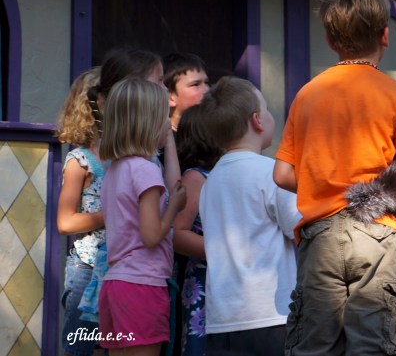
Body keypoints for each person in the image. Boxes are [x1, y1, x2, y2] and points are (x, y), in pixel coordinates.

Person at [273, 0, 396, 356]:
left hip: (320, 239)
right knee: (376, 346)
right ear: (384, 35)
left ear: (330, 40)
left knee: (315, 346)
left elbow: (282, 174)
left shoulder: (307, 95)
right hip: (378, 234)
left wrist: (321, 182)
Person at [199, 76, 299, 356]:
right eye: (266, 108)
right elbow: (300, 228)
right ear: (257, 120)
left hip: (221, 319)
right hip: (271, 315)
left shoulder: (211, 181)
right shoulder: (270, 173)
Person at [98, 78, 187, 354]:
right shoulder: (146, 170)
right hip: (142, 285)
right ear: (147, 123)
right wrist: (174, 206)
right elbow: (151, 236)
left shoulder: (114, 170)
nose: (168, 124)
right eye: (163, 117)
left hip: (115, 284)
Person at [56, 67, 105, 356]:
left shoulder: (124, 156)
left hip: (119, 267)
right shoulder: (80, 160)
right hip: (87, 268)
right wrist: (110, 215)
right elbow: (65, 222)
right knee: (81, 349)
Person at [173, 102, 223, 356]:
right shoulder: (196, 177)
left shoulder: (220, 173)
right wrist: (223, 252)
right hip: (205, 279)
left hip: (225, 278)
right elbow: (177, 233)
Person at [163, 52, 210, 133]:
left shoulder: (214, 132)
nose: (207, 90)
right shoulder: (163, 138)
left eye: (206, 82)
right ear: (170, 97)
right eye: (195, 84)